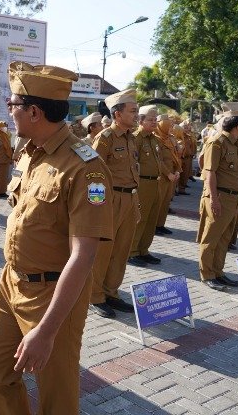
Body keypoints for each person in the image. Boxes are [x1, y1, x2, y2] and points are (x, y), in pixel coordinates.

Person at [0, 62, 113, 414]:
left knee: (56, 398)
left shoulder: (87, 167)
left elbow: (83, 256)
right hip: (12, 283)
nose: (9, 112)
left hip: (52, 295)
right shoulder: (30, 151)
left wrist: (47, 330)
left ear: (34, 111)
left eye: (13, 105)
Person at [90, 89, 140, 318]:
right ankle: (95, 296)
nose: (136, 115)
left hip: (129, 198)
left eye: (137, 111)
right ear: (117, 114)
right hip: (110, 200)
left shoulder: (131, 138)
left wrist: (135, 202)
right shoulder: (106, 138)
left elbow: (132, 173)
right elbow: (92, 174)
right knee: (102, 251)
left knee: (121, 251)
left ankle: (111, 292)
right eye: (133, 111)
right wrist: (97, 207)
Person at [197, 102, 238, 291]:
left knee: (224, 238)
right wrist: (213, 199)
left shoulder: (236, 144)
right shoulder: (217, 142)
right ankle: (207, 274)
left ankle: (218, 272)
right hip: (219, 196)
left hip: (233, 198)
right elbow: (209, 173)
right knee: (211, 237)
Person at [128, 105, 163, 267]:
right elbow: (133, 163)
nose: (154, 122)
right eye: (150, 120)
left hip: (155, 183)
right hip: (142, 184)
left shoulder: (154, 139)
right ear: (140, 121)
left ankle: (144, 250)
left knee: (151, 220)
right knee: (139, 218)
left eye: (155, 120)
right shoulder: (137, 138)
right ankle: (132, 251)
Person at [154, 114, 181, 236]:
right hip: (162, 175)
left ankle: (161, 224)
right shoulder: (155, 139)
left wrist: (177, 170)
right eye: (167, 125)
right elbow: (158, 160)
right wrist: (168, 173)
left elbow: (175, 156)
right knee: (158, 203)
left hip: (171, 175)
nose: (170, 127)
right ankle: (154, 226)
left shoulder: (170, 138)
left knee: (166, 202)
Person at [0, 121, 13, 198]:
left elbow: (8, 148)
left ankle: (3, 191)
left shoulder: (6, 136)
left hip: (6, 161)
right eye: (3, 126)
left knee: (4, 178)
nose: (4, 128)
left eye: (5, 126)